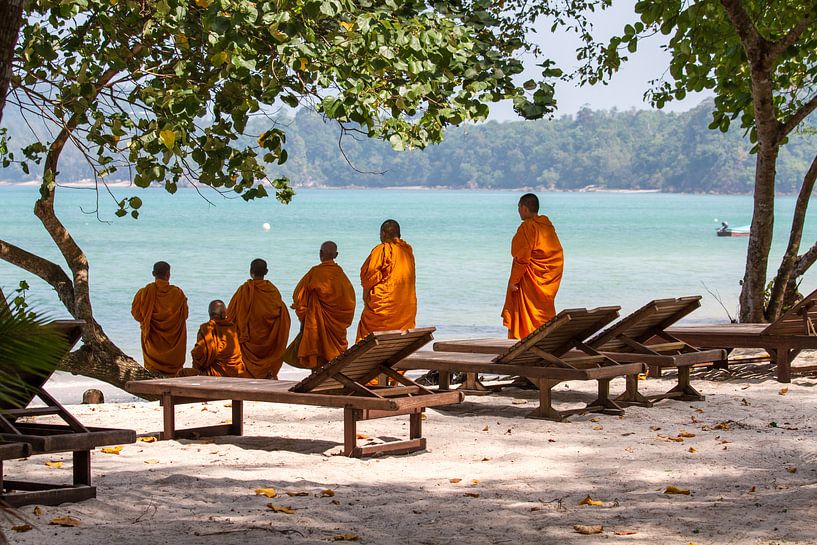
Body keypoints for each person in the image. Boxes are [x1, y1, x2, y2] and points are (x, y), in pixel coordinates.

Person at [501, 193, 564, 339]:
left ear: (524, 208)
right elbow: (556, 255)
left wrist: (513, 281)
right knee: (541, 312)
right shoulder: (547, 226)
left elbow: (523, 258)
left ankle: (524, 343)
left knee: (525, 314)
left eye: (518, 207)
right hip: (545, 281)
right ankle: (545, 340)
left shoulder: (528, 227)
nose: (518, 211)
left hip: (529, 280)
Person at [289, 241, 356, 368]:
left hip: (315, 325)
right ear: (336, 255)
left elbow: (299, 297)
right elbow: (349, 303)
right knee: (334, 361)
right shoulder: (341, 276)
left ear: (320, 253)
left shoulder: (315, 273)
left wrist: (304, 316)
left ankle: (316, 377)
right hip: (335, 330)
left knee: (316, 354)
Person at [226, 258, 291, 379]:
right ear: (266, 272)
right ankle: (266, 373)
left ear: (250, 271)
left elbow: (230, 317)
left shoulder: (243, 291)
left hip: (247, 345)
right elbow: (282, 316)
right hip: (268, 345)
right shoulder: (273, 292)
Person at [357, 219, 417, 340]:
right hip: (406, 309)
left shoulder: (381, 250)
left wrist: (366, 297)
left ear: (383, 234)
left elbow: (369, 276)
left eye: (380, 234)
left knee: (366, 331)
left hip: (384, 309)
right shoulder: (407, 251)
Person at [131, 261, 189, 376]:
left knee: (153, 374)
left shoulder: (144, 293)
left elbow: (136, 314)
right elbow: (185, 315)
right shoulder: (178, 293)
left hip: (152, 349)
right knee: (174, 376)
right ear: (168, 274)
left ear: (153, 273)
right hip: (174, 349)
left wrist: (149, 318)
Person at [190, 300, 247, 377]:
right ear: (224, 314)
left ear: (210, 314)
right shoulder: (233, 329)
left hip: (216, 374)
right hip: (236, 372)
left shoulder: (207, 329)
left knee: (183, 373)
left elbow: (200, 357)